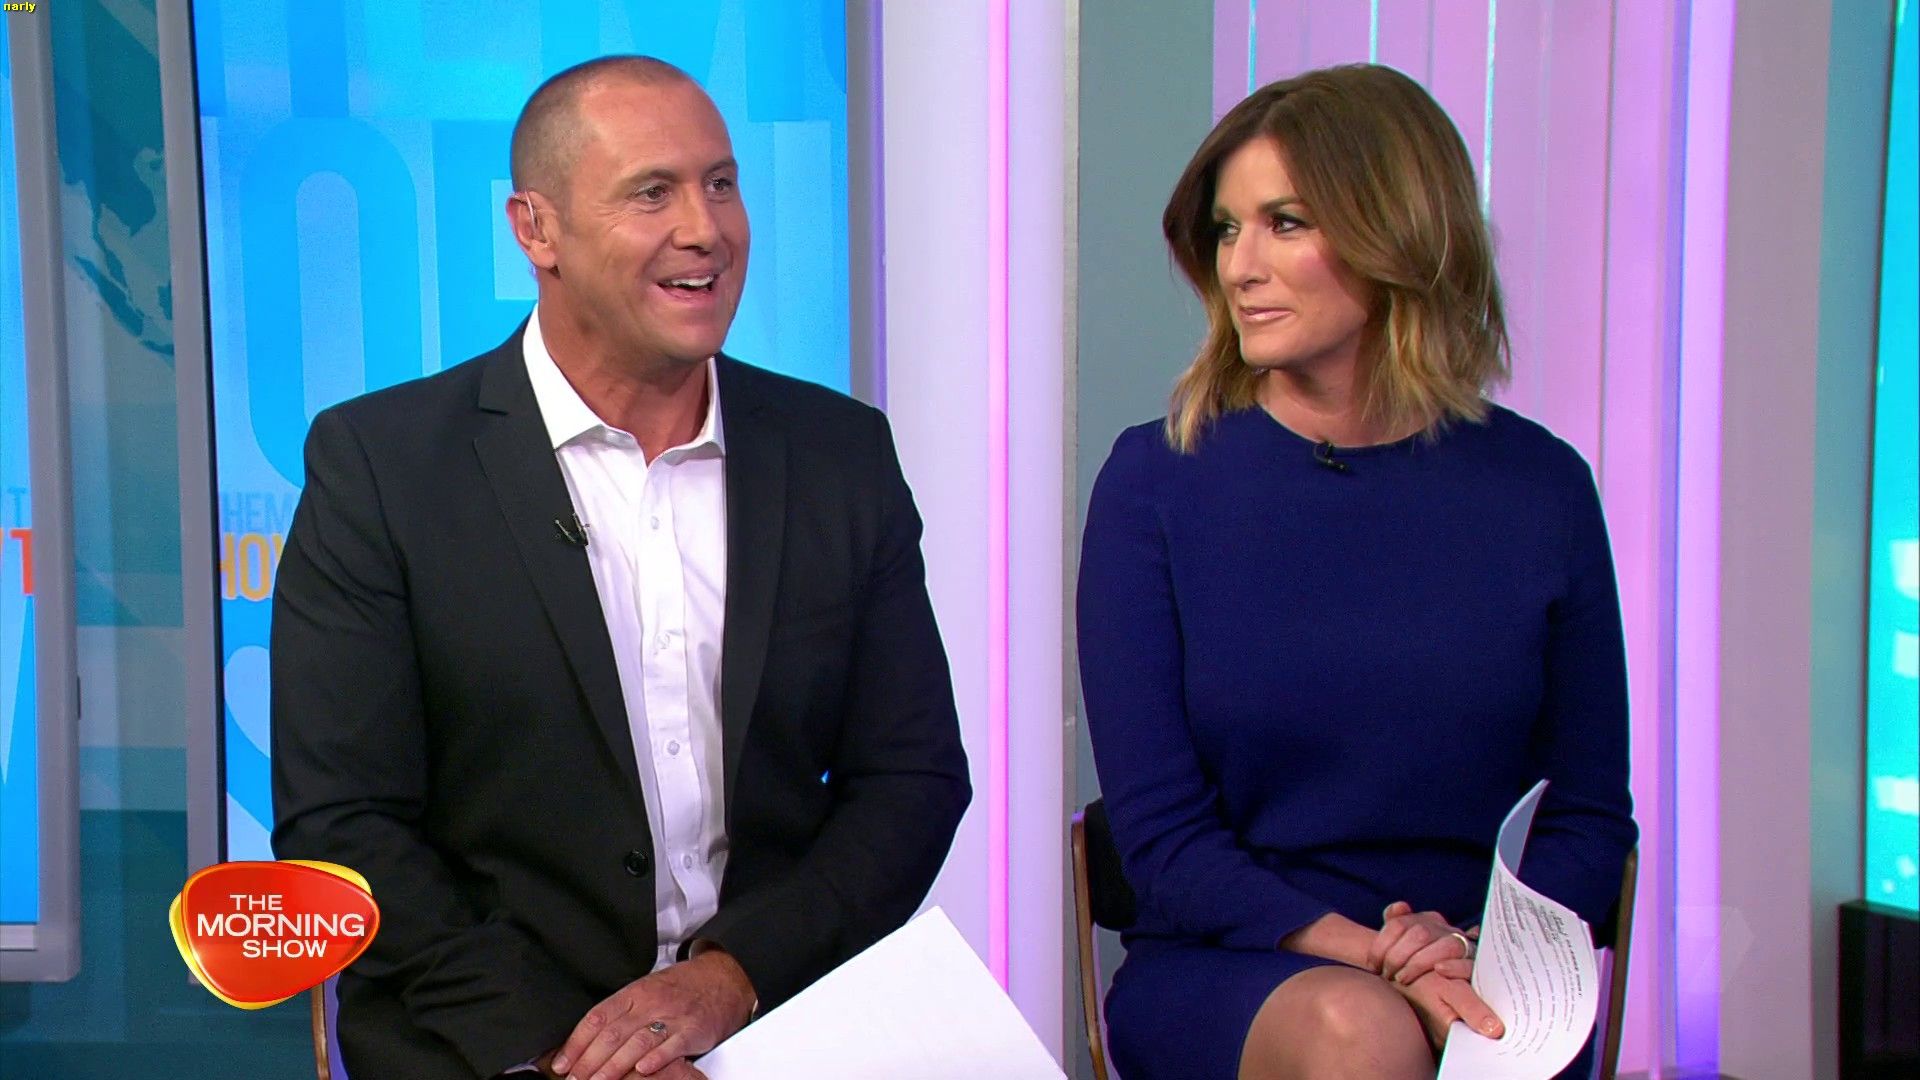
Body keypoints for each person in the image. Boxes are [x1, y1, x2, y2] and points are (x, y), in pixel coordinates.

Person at [270, 55, 969, 1080]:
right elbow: (345, 825)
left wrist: (733, 976)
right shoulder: (383, 466)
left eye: (721, 184)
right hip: (494, 1042)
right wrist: (587, 1054)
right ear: (536, 229)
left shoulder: (838, 453)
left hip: (773, 1020)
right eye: (652, 192)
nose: (705, 229)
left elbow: (912, 779)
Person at [1076, 64, 1636, 1080]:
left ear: (1399, 232)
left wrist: (1466, 956)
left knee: (1430, 1034)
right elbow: (1162, 840)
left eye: (1285, 223)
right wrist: (1377, 957)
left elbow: (1589, 817)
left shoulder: (1542, 489)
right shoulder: (1157, 484)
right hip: (1239, 959)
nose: (1241, 265)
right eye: (1227, 229)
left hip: (1484, 971)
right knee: (1361, 1029)